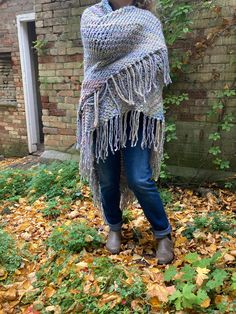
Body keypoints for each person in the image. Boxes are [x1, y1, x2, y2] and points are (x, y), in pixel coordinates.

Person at [76, 0, 174, 264]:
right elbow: (98, 46)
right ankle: (115, 227)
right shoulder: (93, 16)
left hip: (139, 110)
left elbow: (156, 62)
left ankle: (163, 234)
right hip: (102, 109)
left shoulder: (147, 19)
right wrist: (131, 58)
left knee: (139, 177)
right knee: (107, 178)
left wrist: (127, 71)